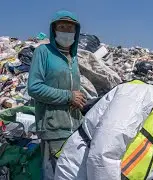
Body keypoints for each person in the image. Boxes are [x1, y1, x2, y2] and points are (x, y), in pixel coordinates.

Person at [28, 10, 86, 180]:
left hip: (74, 128)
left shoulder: (73, 57)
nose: (66, 31)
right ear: (54, 30)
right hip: (53, 128)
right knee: (54, 175)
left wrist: (79, 99)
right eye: (62, 27)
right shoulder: (43, 52)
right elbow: (34, 87)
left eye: (70, 28)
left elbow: (73, 88)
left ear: (76, 32)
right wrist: (68, 96)